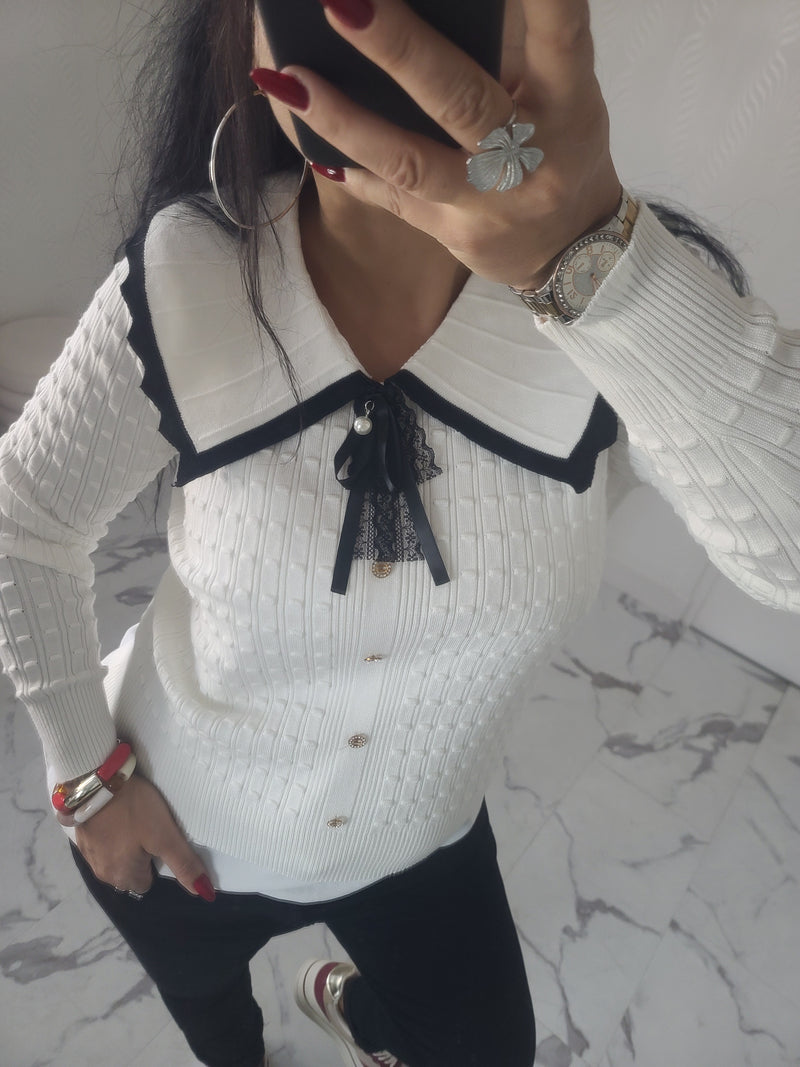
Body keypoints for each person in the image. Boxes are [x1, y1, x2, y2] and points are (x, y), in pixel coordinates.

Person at [1, 0, 798, 1065]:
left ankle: (349, 1007)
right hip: (178, 827)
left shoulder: (624, 302)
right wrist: (84, 777)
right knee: (218, 1031)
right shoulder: (188, 269)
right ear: (245, 30)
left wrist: (594, 259)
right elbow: (24, 519)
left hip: (420, 841)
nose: (391, 31)